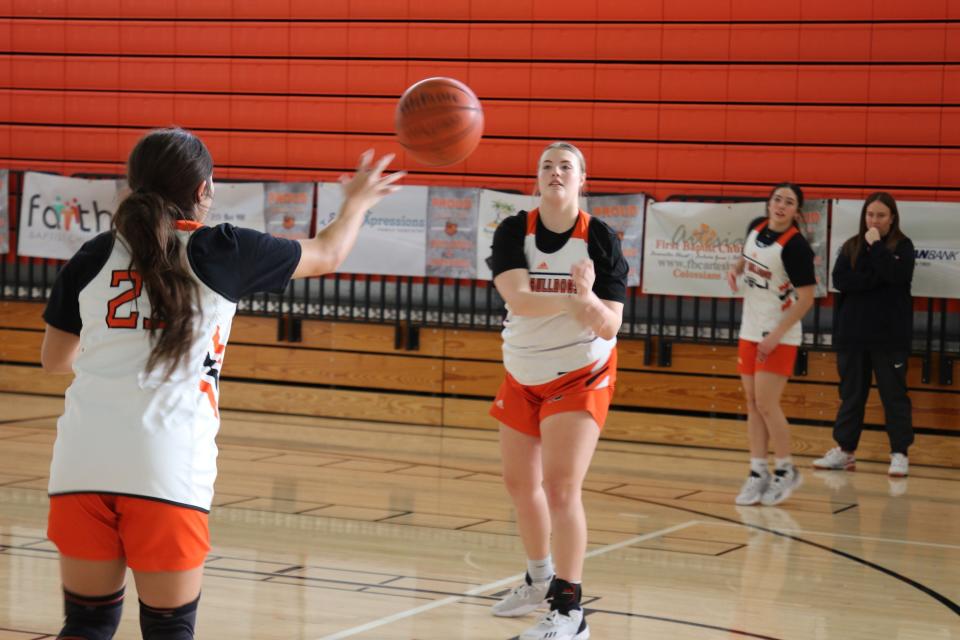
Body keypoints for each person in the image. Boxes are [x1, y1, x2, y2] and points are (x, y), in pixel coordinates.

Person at [39, 128, 402, 639]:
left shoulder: (93, 254)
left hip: (80, 462)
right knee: (168, 631)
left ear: (134, 184)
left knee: (87, 626)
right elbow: (327, 253)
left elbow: (55, 360)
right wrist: (358, 202)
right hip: (164, 467)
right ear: (203, 189)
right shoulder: (224, 250)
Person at [487, 141, 628, 640]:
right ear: (537, 178)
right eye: (546, 165)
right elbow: (518, 300)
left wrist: (587, 299)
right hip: (522, 370)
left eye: (566, 166)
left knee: (561, 487)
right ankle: (538, 577)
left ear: (582, 179)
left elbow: (609, 324)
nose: (555, 172)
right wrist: (575, 299)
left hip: (579, 374)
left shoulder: (602, 239)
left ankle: (570, 610)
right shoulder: (512, 230)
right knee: (519, 484)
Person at [726, 183, 816, 506]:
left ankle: (786, 469)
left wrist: (776, 334)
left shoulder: (796, 248)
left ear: (796, 211)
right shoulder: (756, 228)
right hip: (749, 329)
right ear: (769, 202)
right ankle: (757, 470)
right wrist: (736, 270)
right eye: (777, 199)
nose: (781, 205)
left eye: (789, 202)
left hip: (779, 334)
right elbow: (745, 258)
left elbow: (806, 299)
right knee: (752, 402)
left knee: (767, 403)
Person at [813, 192, 915, 477]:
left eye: (881, 215)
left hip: (890, 339)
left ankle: (899, 453)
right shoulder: (850, 246)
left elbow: (896, 276)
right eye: (870, 215)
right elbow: (841, 280)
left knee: (894, 395)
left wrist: (878, 248)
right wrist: (875, 279)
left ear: (892, 217)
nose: (875, 220)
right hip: (853, 337)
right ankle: (845, 452)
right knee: (851, 395)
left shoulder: (903, 247)